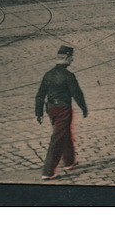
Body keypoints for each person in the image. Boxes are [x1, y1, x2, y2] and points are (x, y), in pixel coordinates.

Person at [35, 45, 88, 180]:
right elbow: (77, 93)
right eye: (71, 58)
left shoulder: (48, 74)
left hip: (51, 109)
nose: (72, 60)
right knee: (57, 138)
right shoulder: (68, 75)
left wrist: (39, 112)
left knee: (64, 132)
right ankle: (48, 171)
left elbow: (40, 95)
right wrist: (84, 108)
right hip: (63, 109)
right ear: (66, 58)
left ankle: (69, 161)